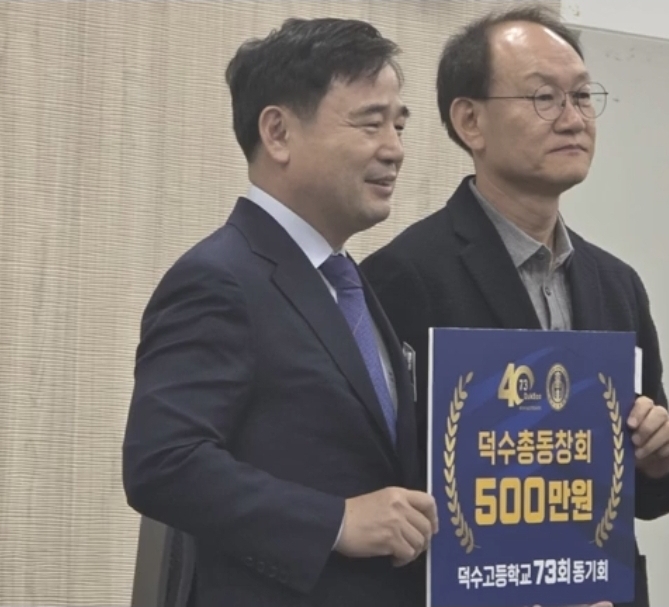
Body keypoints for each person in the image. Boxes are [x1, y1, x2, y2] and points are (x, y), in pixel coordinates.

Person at [359, 5, 669, 607]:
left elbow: (648, 496)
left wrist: (661, 459)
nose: (574, 119)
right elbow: (379, 483)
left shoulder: (617, 284)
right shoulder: (402, 277)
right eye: (544, 98)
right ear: (470, 121)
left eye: (582, 96)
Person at [122, 17, 439, 607]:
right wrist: (335, 522)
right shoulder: (218, 278)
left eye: (399, 125)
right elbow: (163, 464)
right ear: (278, 133)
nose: (394, 149)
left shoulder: (348, 281)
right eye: (370, 123)